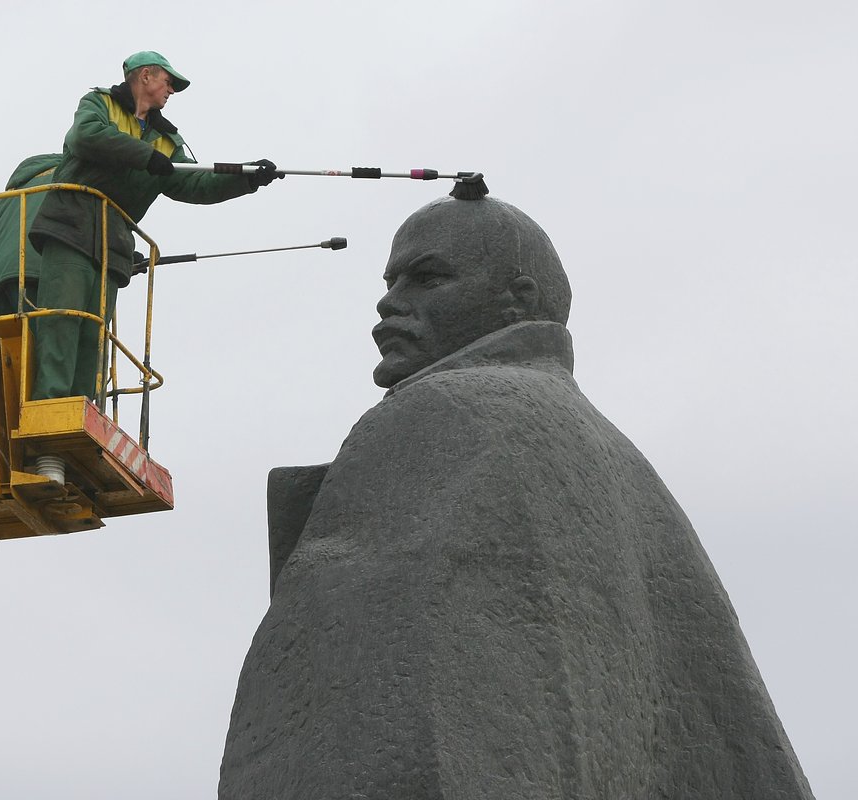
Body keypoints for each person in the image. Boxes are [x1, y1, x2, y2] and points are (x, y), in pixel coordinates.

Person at [217, 190, 814, 799]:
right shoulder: (630, 469)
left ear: (519, 300)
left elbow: (354, 686)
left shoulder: (437, 416)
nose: (389, 302)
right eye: (391, 281)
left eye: (427, 278)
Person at [23, 51, 280, 401]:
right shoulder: (100, 104)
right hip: (70, 225)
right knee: (62, 319)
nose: (171, 90)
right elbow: (85, 136)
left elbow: (194, 183)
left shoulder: (166, 141)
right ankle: (51, 406)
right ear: (145, 76)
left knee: (94, 334)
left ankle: (82, 410)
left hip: (112, 242)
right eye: (168, 81)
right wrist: (144, 156)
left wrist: (247, 177)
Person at [0, 153, 63, 316]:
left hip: (2, 291)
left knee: (20, 338)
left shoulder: (5, 199)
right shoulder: (70, 181)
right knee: (59, 337)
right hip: (46, 276)